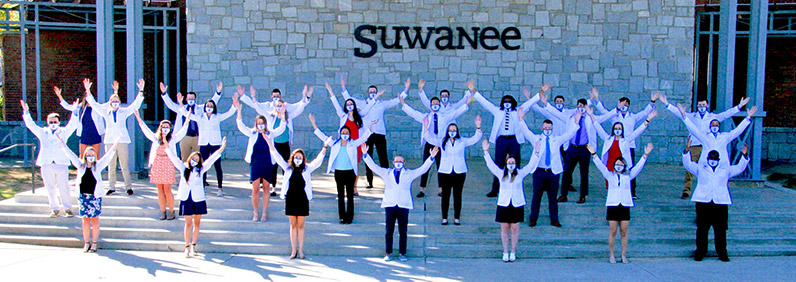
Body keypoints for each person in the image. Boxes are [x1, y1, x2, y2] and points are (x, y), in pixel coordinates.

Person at [660, 94, 750, 199]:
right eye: (699, 105)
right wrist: (667, 104)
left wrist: (739, 107)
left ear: (707, 105)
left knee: (708, 169)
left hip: (708, 146)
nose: (701, 106)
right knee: (691, 168)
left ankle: (710, 190)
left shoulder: (713, 117)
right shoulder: (693, 116)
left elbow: (726, 114)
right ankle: (687, 190)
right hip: (694, 145)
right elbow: (680, 114)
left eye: (703, 104)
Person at [362, 144, 438, 262]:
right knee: (389, 231)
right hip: (390, 205)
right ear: (393, 162)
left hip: (403, 205)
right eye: (396, 161)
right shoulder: (386, 173)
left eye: (401, 161)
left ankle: (403, 253)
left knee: (403, 231)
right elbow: (374, 167)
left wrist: (431, 158)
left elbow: (422, 169)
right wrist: (365, 155)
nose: (398, 163)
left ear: (404, 163)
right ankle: (388, 253)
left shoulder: (409, 173)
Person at [471, 80, 546, 197]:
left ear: (513, 102)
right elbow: (485, 103)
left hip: (514, 140)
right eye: (505, 101)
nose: (507, 103)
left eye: (509, 101)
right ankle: (496, 189)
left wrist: (542, 91)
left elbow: (530, 103)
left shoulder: (518, 110)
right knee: (498, 163)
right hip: (501, 140)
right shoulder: (497, 111)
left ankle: (516, 185)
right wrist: (473, 91)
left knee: (516, 162)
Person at [401, 80, 471, 198]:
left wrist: (467, 104)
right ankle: (422, 189)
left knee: (441, 166)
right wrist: (403, 104)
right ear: (430, 105)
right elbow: (413, 113)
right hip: (429, 143)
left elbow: (456, 113)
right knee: (426, 166)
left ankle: (441, 189)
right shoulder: (426, 117)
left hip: (441, 144)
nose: (435, 105)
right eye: (432, 103)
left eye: (436, 104)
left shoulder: (444, 116)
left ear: (439, 105)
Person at [683, 141, 749, 262]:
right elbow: (688, 164)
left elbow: (739, 168)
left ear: (719, 159)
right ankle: (700, 252)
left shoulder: (725, 170)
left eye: (715, 158)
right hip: (703, 202)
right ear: (707, 159)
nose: (713, 160)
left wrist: (744, 156)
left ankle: (722, 253)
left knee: (721, 230)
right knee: (702, 229)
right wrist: (686, 151)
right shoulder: (701, 169)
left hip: (720, 203)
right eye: (711, 158)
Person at [240, 85, 312, 196]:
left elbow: (299, 108)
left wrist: (305, 96)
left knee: (287, 166)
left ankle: (287, 187)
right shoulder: (270, 115)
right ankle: (273, 188)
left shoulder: (288, 115)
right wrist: (250, 96)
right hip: (273, 144)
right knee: (273, 166)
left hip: (285, 144)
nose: (278, 106)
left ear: (283, 105)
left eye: (280, 104)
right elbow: (257, 107)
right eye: (276, 104)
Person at [588, 142, 653, 264]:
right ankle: (611, 254)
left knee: (624, 231)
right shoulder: (609, 175)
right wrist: (594, 154)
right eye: (617, 164)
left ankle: (623, 254)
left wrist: (645, 155)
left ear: (624, 166)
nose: (619, 166)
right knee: (613, 231)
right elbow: (601, 166)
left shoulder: (628, 176)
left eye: (621, 164)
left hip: (625, 205)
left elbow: (638, 167)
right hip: (613, 205)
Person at [516, 107, 580, 227]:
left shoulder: (556, 139)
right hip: (539, 172)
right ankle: (533, 218)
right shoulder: (536, 138)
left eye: (549, 128)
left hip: (553, 172)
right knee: (536, 196)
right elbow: (526, 131)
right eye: (545, 128)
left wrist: (576, 122)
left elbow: (569, 134)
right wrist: (521, 119)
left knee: (552, 197)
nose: (547, 130)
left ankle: (554, 219)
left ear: (552, 129)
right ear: (542, 128)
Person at [268, 136, 330, 260]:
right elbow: (277, 157)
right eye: (296, 157)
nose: (298, 159)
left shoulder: (307, 169)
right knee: (292, 224)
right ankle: (293, 249)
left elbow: (317, 161)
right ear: (292, 158)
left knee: (300, 225)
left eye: (300, 157)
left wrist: (324, 147)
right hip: (290, 198)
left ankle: (301, 250)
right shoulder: (287, 168)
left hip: (302, 198)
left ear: (303, 159)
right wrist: (269, 143)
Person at [164, 137, 226, 258]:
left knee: (196, 223)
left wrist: (221, 148)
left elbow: (211, 159)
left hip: (198, 199)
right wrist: (166, 145)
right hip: (187, 198)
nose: (194, 161)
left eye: (197, 160)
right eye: (193, 158)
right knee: (188, 223)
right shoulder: (183, 168)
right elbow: (173, 157)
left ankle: (194, 246)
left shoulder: (201, 169)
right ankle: (186, 247)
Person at [591, 89, 658, 198]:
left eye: (626, 104)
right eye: (622, 104)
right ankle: (613, 189)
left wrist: (652, 102)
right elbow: (603, 112)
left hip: (628, 145)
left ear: (629, 106)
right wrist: (597, 99)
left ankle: (631, 191)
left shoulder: (633, 116)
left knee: (629, 168)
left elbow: (644, 113)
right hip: (614, 146)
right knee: (612, 168)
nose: (624, 106)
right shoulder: (614, 115)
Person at [482, 139, 541, 262]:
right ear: (506, 163)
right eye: (509, 162)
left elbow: (530, 165)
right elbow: (491, 166)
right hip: (504, 204)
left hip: (517, 204)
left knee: (515, 228)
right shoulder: (500, 173)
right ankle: (505, 251)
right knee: (504, 228)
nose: (511, 164)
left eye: (513, 162)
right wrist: (486, 152)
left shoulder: (520, 173)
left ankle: (513, 251)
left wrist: (536, 153)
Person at [309, 114, 375, 224]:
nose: (344, 134)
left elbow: (363, 138)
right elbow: (323, 137)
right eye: (343, 133)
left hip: (350, 173)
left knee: (349, 195)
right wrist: (313, 124)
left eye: (346, 133)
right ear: (340, 134)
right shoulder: (335, 143)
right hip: (339, 173)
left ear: (349, 134)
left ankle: (349, 217)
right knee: (340, 194)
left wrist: (370, 127)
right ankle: (342, 216)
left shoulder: (353, 144)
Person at [85, 78, 144, 196]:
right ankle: (111, 187)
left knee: (124, 165)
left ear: (120, 102)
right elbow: (94, 105)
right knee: (111, 165)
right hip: (110, 141)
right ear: (110, 103)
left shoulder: (124, 111)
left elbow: (135, 105)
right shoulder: (106, 112)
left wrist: (141, 91)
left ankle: (128, 187)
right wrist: (88, 91)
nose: (115, 102)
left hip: (122, 141)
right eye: (113, 101)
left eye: (117, 100)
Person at [20, 100, 79, 217]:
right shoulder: (43, 132)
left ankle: (67, 209)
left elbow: (73, 124)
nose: (53, 123)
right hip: (46, 163)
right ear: (47, 122)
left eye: (55, 121)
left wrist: (75, 110)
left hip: (61, 163)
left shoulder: (64, 132)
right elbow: (31, 125)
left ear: (59, 122)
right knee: (50, 187)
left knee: (64, 187)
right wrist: (26, 112)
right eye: (50, 121)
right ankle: (54, 208)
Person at [339, 76, 400, 189]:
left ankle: (388, 180)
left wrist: (405, 92)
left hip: (380, 133)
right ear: (368, 93)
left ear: (377, 93)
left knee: (383, 158)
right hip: (367, 134)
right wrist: (343, 87)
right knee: (368, 156)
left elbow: (394, 102)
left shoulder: (382, 103)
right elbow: (349, 99)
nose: (372, 93)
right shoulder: (363, 104)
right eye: (371, 91)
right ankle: (369, 181)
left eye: (374, 91)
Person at [60, 137, 119, 253]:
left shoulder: (98, 166)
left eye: (93, 154)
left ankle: (95, 243)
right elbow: (70, 154)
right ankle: (86, 243)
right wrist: (62, 143)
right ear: (85, 156)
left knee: (95, 219)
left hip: (94, 197)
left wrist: (116, 143)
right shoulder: (80, 165)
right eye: (88, 154)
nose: (90, 156)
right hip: (83, 197)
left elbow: (108, 156)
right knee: (85, 220)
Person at [234, 95, 286, 222]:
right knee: (256, 188)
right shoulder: (252, 133)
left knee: (267, 188)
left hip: (267, 162)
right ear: (256, 124)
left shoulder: (270, 133)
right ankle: (255, 212)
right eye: (259, 123)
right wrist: (239, 111)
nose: (261, 125)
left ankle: (264, 212)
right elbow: (241, 126)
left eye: (262, 123)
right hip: (256, 163)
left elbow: (281, 128)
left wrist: (283, 115)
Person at [536, 94, 597, 204]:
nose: (581, 107)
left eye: (583, 106)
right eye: (579, 105)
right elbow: (556, 113)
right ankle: (564, 194)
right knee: (567, 171)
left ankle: (582, 195)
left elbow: (597, 127)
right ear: (577, 107)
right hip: (572, 148)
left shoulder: (590, 118)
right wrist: (546, 104)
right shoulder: (570, 117)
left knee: (584, 173)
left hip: (584, 148)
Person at [423, 115, 482, 225]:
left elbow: (474, 139)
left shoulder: (462, 140)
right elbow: (429, 138)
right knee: (445, 195)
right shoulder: (442, 141)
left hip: (459, 172)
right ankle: (444, 217)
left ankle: (456, 218)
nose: (452, 132)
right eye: (450, 130)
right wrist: (426, 127)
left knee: (457, 195)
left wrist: (478, 127)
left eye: (454, 130)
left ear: (457, 131)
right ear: (447, 131)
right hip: (445, 172)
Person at [133, 110, 190, 220]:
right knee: (160, 189)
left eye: (167, 127)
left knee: (167, 190)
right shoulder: (156, 138)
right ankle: (163, 211)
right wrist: (139, 118)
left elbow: (182, 132)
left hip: (168, 163)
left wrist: (187, 121)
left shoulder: (172, 139)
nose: (165, 128)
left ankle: (171, 211)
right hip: (157, 164)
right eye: (163, 126)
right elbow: (146, 131)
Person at [180, 86, 236, 197]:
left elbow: (228, 113)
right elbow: (188, 115)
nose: (209, 107)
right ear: (204, 108)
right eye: (207, 106)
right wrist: (181, 104)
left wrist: (234, 105)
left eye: (211, 106)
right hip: (204, 144)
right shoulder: (201, 117)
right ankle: (202, 187)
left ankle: (220, 188)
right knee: (203, 166)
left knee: (217, 166)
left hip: (215, 144)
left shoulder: (217, 117)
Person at [325, 82, 376, 196]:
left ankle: (354, 187)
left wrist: (376, 97)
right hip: (344, 143)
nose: (349, 105)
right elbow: (336, 104)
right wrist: (330, 91)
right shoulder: (343, 116)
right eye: (347, 104)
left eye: (351, 103)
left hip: (356, 144)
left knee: (355, 165)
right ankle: (343, 186)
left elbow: (368, 108)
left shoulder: (359, 116)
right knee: (344, 164)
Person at [675, 103, 755, 168]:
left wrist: (747, 118)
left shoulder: (725, 137)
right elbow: (693, 129)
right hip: (706, 164)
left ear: (719, 127)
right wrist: (684, 117)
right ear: (709, 127)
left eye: (716, 125)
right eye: (713, 125)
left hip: (721, 164)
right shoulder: (704, 136)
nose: (714, 126)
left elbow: (737, 131)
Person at [161, 82, 222, 161]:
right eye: (189, 98)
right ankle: (185, 173)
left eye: (192, 98)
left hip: (197, 137)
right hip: (184, 137)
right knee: (184, 158)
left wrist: (218, 93)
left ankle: (197, 173)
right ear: (186, 99)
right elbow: (170, 104)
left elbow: (212, 102)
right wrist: (164, 93)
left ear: (195, 99)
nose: (191, 100)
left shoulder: (200, 109)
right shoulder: (181, 108)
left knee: (198, 159)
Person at [54, 83, 106, 159]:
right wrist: (59, 96)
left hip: (95, 134)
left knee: (95, 156)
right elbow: (68, 106)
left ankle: (95, 170)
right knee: (82, 156)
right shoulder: (80, 107)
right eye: (86, 96)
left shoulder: (97, 107)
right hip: (84, 134)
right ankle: (82, 170)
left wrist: (115, 92)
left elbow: (109, 105)